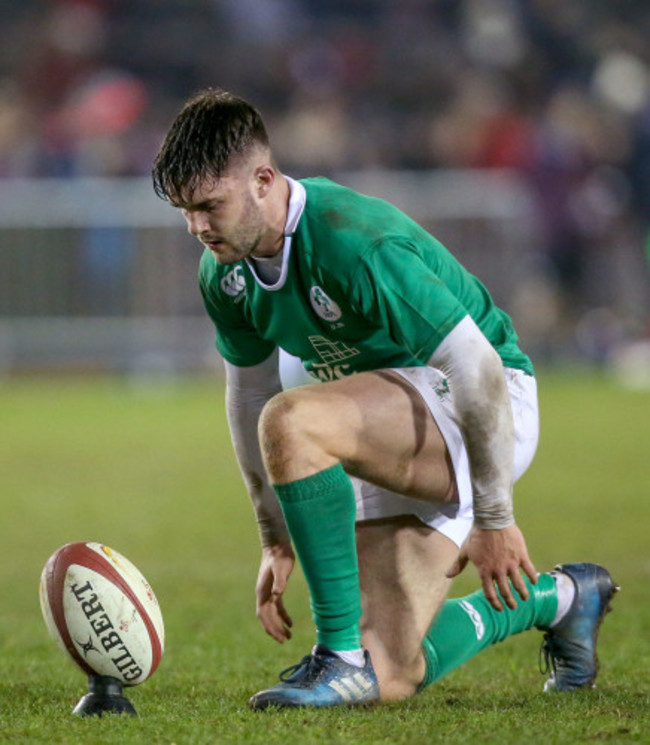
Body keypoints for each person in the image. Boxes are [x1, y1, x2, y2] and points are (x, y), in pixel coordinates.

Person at [152, 88, 618, 709]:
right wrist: (273, 533)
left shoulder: (350, 239)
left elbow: (475, 364)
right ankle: (563, 598)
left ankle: (337, 658)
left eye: (209, 205)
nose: (197, 227)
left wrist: (493, 517)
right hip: (384, 425)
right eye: (185, 210)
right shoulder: (226, 272)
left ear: (264, 179)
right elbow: (248, 390)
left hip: (484, 404)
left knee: (293, 420)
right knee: (391, 673)